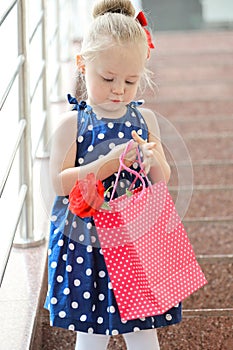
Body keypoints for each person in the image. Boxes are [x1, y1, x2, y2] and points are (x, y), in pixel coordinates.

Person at [44, 1, 182, 349]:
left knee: (142, 331)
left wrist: (152, 159)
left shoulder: (145, 121)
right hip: (87, 238)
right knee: (90, 334)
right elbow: (59, 183)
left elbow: (162, 178)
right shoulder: (71, 125)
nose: (119, 89)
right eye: (107, 78)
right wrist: (105, 163)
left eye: (130, 80)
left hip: (137, 233)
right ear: (82, 65)